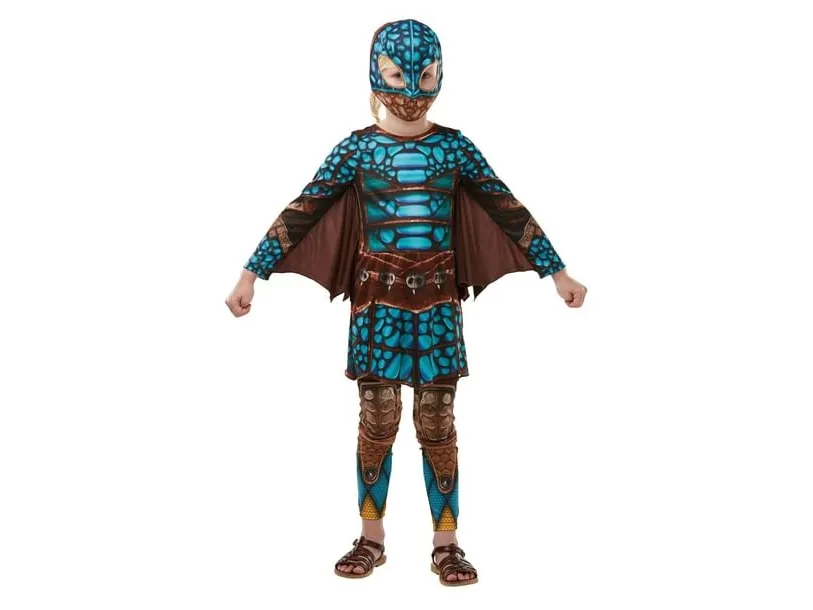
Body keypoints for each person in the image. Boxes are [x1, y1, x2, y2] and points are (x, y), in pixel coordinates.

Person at [225, 18, 587, 587]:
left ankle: (447, 544)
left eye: (425, 76)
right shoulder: (357, 149)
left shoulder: (454, 148)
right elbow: (305, 208)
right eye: (398, 76)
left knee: (437, 424)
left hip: (440, 306)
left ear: (440, 75)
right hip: (376, 307)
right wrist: (252, 272)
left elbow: (505, 207)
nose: (413, 90)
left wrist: (556, 271)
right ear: (376, 75)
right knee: (377, 422)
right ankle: (371, 539)